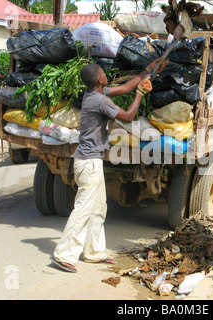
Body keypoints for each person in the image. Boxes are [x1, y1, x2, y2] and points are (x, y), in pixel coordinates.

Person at [51, 58, 167, 273]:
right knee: (83, 208)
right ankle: (64, 254)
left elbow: (124, 88)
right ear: (98, 79)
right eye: (104, 73)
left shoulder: (95, 94)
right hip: (88, 163)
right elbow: (128, 116)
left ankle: (94, 252)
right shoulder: (100, 101)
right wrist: (141, 94)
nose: (106, 75)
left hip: (89, 161)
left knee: (98, 207)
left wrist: (148, 69)